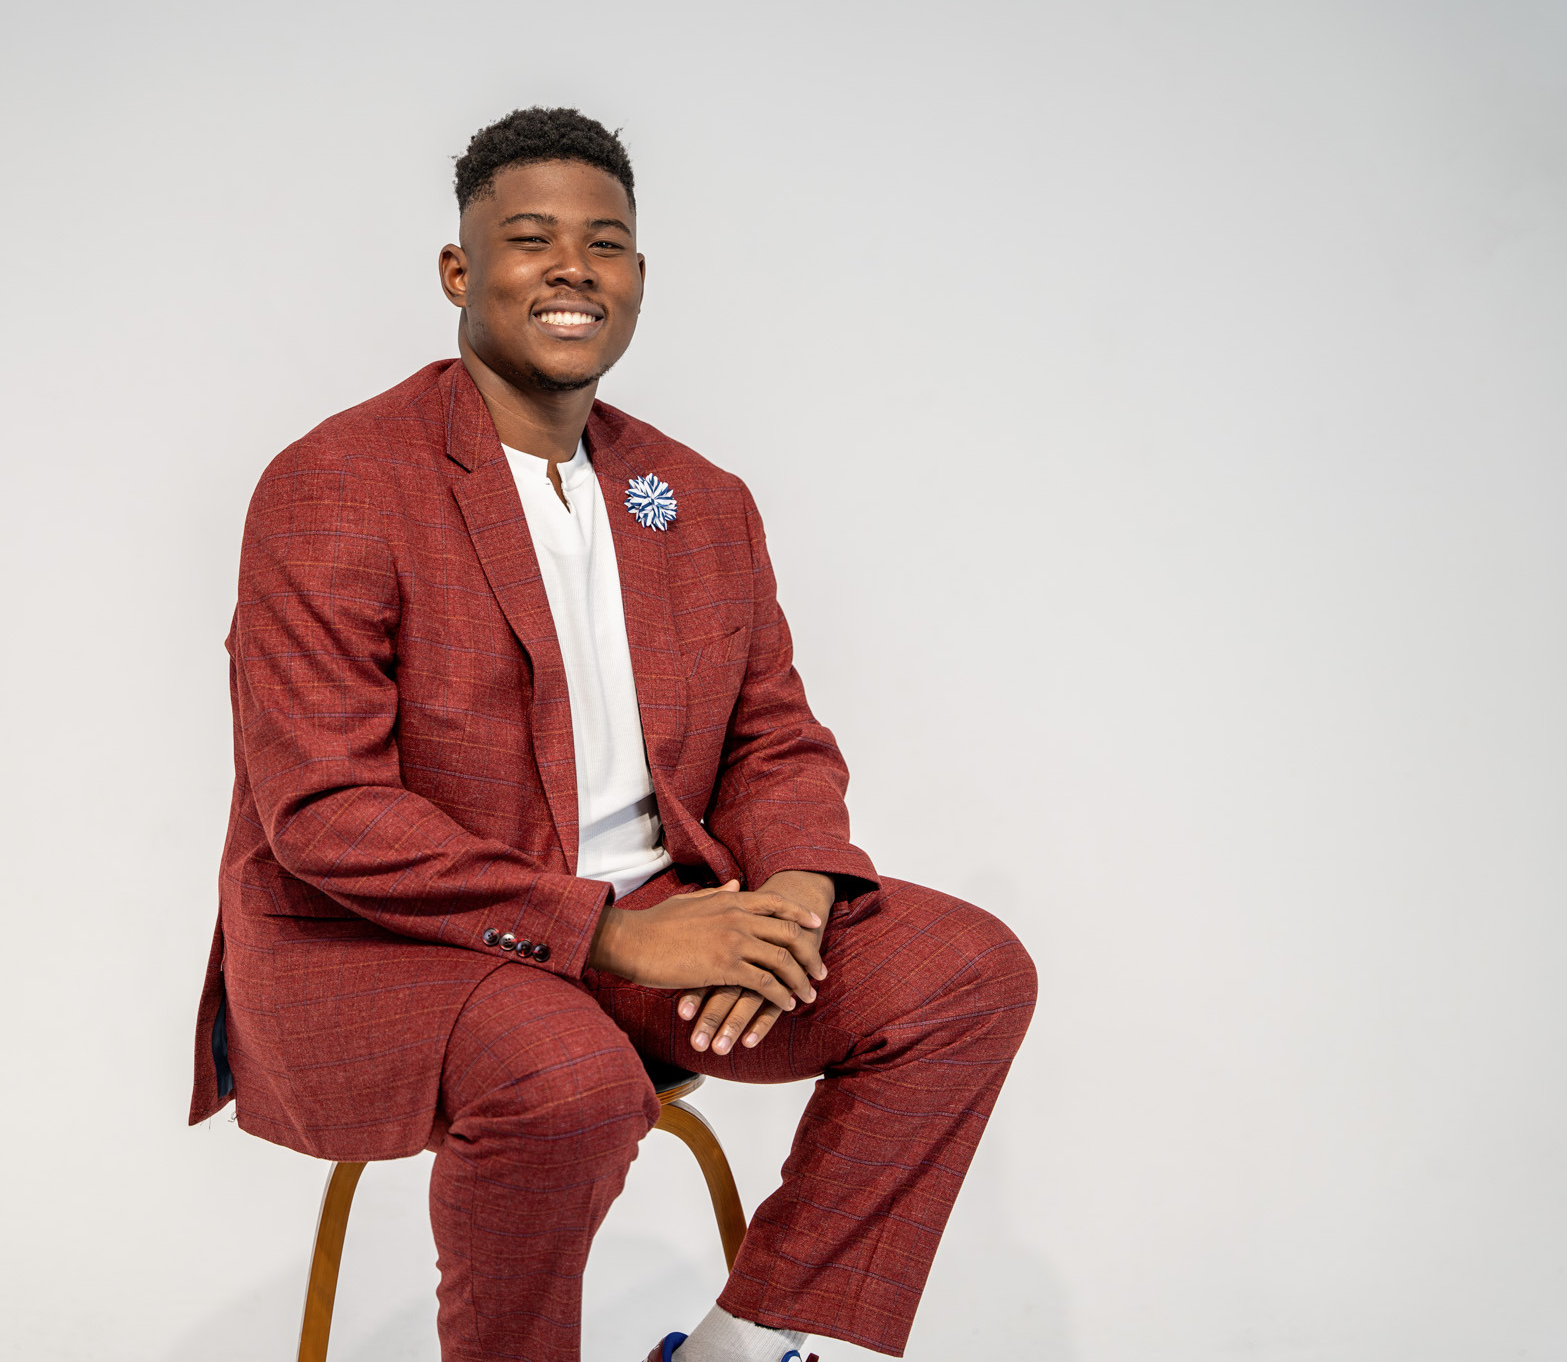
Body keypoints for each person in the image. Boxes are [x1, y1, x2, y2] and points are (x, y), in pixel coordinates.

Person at [189, 107, 1036, 1362]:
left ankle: (753, 1345)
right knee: (567, 1076)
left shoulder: (696, 498)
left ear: (639, 275)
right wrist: (612, 934)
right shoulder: (337, 484)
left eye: (605, 243)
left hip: (655, 916)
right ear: (459, 271)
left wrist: (795, 891)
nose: (573, 267)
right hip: (384, 941)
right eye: (531, 238)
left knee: (963, 973)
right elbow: (324, 812)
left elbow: (773, 734)